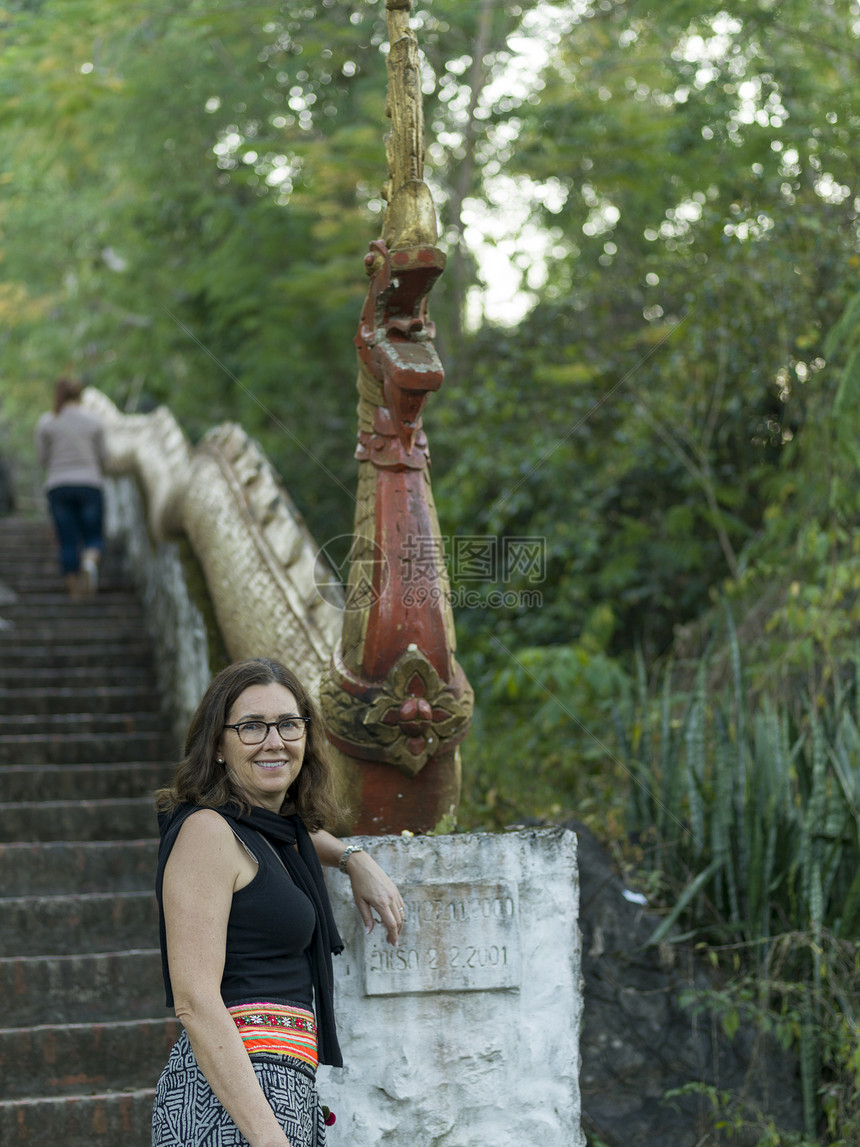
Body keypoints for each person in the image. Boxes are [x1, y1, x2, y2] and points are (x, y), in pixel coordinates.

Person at [152, 657, 406, 1147]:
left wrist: (354, 857)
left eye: (288, 724)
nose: (274, 741)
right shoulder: (207, 832)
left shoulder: (269, 833)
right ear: (219, 745)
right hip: (230, 1101)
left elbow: (300, 834)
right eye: (251, 727)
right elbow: (196, 1001)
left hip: (282, 1091)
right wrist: (270, 1139)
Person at [34, 378, 106, 597]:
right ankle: (89, 561)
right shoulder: (94, 421)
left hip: (58, 486)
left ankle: (74, 592)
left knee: (67, 541)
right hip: (89, 485)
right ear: (80, 395)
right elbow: (105, 457)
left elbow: (42, 458)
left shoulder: (47, 422)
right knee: (93, 537)